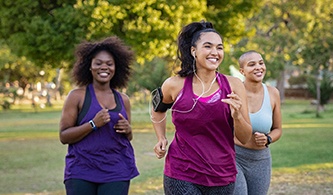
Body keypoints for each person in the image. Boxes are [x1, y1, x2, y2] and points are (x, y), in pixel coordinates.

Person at [151, 21, 252, 195]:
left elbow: (244, 138)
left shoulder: (234, 86)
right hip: (181, 172)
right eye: (208, 46)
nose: (215, 52)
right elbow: (157, 107)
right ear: (193, 51)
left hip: (221, 175)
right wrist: (160, 137)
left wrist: (237, 116)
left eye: (219, 48)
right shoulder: (174, 85)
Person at [59, 36, 139, 195]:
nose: (104, 67)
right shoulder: (77, 96)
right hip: (81, 170)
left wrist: (128, 130)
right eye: (98, 63)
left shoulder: (123, 100)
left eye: (109, 64)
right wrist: (93, 124)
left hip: (116, 170)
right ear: (89, 66)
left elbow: (127, 137)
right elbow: (64, 136)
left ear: (116, 68)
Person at [234, 50, 282, 195]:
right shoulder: (233, 92)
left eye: (261, 63)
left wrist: (268, 138)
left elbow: (278, 129)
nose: (258, 67)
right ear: (242, 71)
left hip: (261, 160)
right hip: (235, 157)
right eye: (252, 64)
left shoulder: (273, 93)